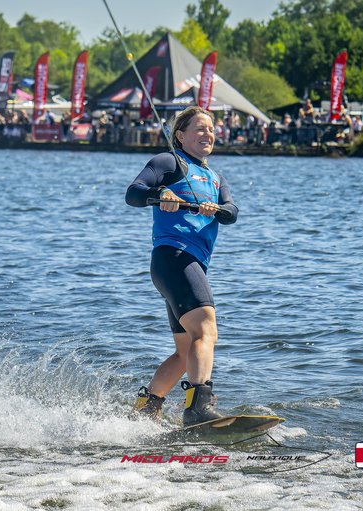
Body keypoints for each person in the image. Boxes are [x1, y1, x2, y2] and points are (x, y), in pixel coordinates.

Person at [125, 106, 238, 426]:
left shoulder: (216, 178)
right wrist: (161, 193)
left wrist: (215, 209)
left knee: (185, 348)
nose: (208, 134)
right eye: (200, 129)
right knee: (206, 330)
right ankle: (199, 405)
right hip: (173, 258)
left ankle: (145, 410)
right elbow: (133, 193)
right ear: (181, 136)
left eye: (212, 129)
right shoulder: (168, 162)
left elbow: (232, 212)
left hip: (188, 265)